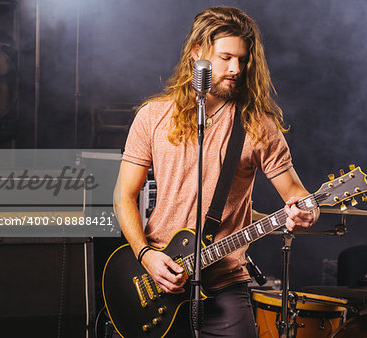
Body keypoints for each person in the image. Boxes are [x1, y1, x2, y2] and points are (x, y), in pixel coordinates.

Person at [113, 6, 319, 337]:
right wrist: (146, 255)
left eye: (242, 59)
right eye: (225, 58)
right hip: (159, 278)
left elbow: (297, 194)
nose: (235, 69)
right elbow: (124, 196)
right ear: (198, 52)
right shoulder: (152, 117)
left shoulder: (257, 125)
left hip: (225, 283)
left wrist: (308, 210)